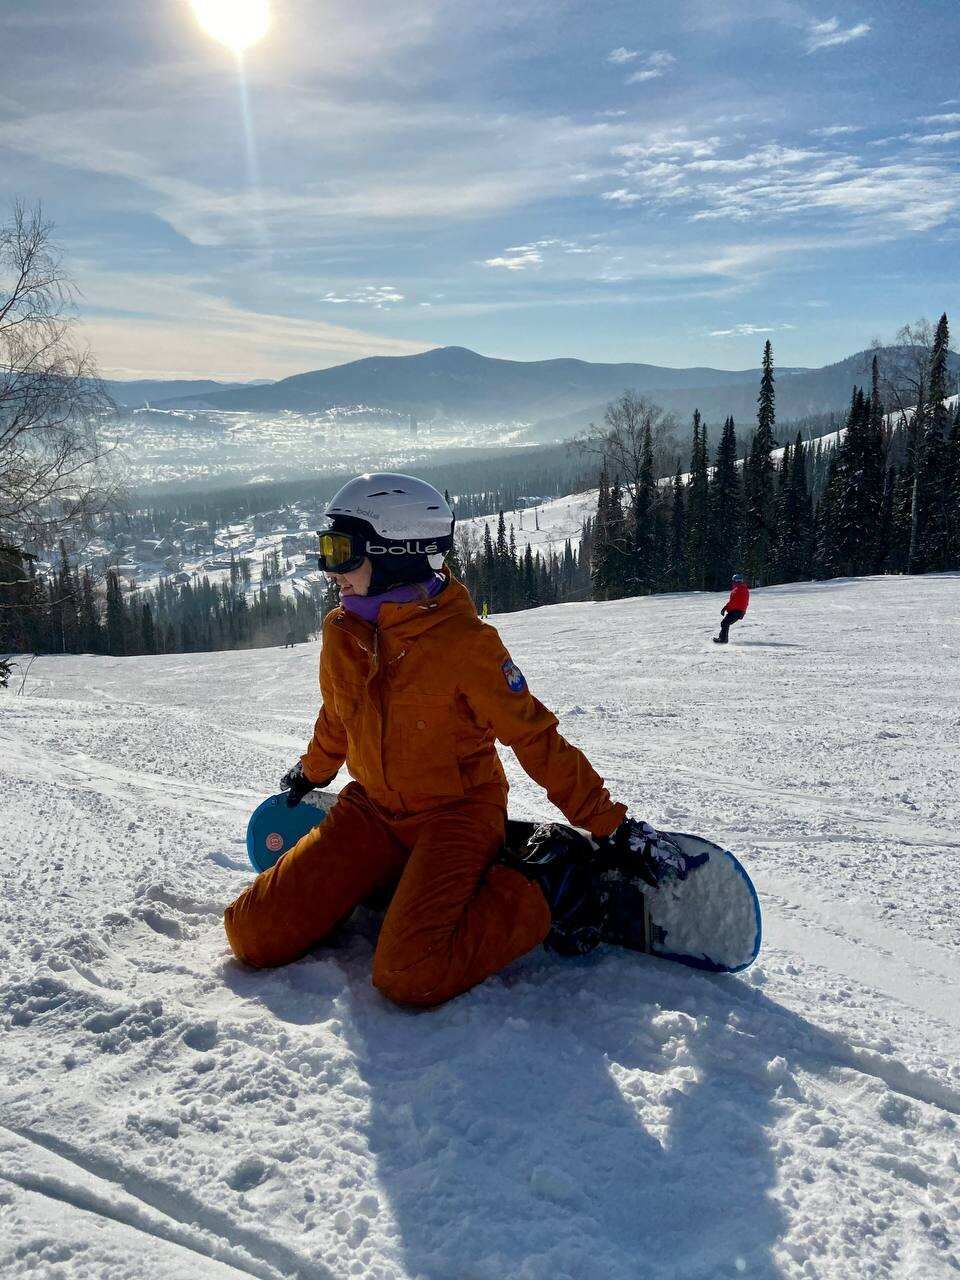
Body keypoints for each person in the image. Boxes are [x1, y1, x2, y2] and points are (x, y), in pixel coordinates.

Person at [224, 472, 686, 1008]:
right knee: (250, 934)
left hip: (456, 814)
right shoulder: (341, 633)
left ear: (396, 553)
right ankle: (398, 883)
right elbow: (338, 717)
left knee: (408, 974)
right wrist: (313, 773)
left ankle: (543, 888)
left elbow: (535, 738)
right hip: (372, 811)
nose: (332, 571)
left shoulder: (465, 645)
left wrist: (611, 824)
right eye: (327, 550)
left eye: (343, 552)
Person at [714, 573, 749, 644]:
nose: (732, 582)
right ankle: (722, 638)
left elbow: (733, 602)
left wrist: (726, 608)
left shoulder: (738, 590)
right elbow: (735, 602)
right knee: (725, 623)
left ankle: (723, 640)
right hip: (739, 611)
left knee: (725, 623)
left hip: (736, 611)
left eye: (733, 581)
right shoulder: (743, 588)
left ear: (735, 581)